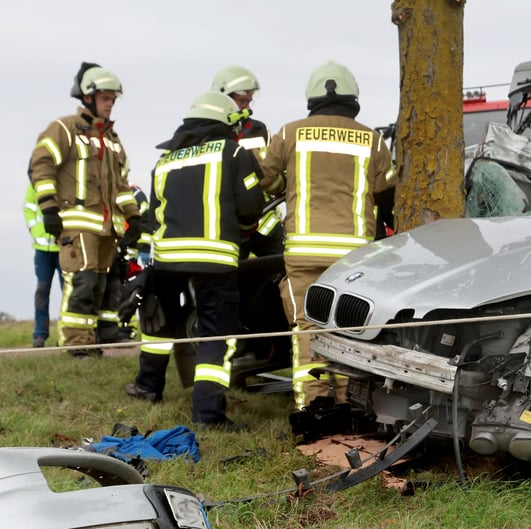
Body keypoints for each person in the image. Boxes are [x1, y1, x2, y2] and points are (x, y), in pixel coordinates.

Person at [259, 61, 396, 422]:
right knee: (349, 329)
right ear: (353, 100)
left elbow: (266, 183)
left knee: (307, 327)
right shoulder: (372, 139)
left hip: (303, 252)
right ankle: (348, 404)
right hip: (354, 258)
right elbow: (386, 191)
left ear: (313, 99)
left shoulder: (289, 134)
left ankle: (313, 407)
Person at [123, 91, 264, 432]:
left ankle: (147, 387)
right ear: (226, 122)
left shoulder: (166, 160)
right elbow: (250, 206)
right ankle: (208, 415)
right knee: (217, 333)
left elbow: (153, 215)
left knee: (160, 327)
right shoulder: (233, 152)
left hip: (168, 260)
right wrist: (244, 232)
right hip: (215, 261)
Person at [28, 62, 141, 357]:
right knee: (83, 281)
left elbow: (122, 185)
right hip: (78, 225)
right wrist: (49, 208)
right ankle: (76, 345)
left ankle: (96, 340)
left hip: (107, 228)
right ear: (88, 97)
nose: (110, 105)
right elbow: (40, 165)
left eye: (113, 100)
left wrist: (135, 219)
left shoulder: (113, 141)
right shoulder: (64, 128)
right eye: (106, 98)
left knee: (103, 285)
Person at [210, 65, 283, 259]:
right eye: (243, 101)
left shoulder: (258, 129)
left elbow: (271, 172)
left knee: (282, 268)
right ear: (223, 98)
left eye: (249, 101)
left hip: (264, 222)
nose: (247, 108)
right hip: (229, 225)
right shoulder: (209, 135)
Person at [22, 183, 63, 347]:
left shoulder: (65, 179)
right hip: (42, 249)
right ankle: (40, 334)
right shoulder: (35, 184)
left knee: (67, 291)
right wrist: (34, 228)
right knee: (42, 290)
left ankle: (65, 334)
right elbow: (28, 208)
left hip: (63, 247)